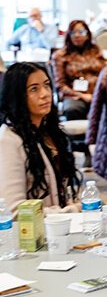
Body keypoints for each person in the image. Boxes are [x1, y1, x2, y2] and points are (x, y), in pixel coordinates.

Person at [0, 62, 81, 213]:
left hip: (60, 226)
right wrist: (70, 212)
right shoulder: (8, 140)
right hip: (33, 232)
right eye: (34, 89)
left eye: (47, 85)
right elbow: (13, 209)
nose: (45, 94)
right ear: (17, 96)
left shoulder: (48, 131)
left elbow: (64, 187)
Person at [51, 20, 106, 122]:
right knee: (73, 109)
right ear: (68, 35)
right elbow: (60, 85)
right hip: (74, 95)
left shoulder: (96, 51)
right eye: (73, 32)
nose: (76, 35)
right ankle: (76, 137)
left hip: (97, 94)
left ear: (87, 35)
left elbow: (104, 75)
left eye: (81, 32)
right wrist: (82, 96)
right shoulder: (60, 56)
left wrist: (97, 95)